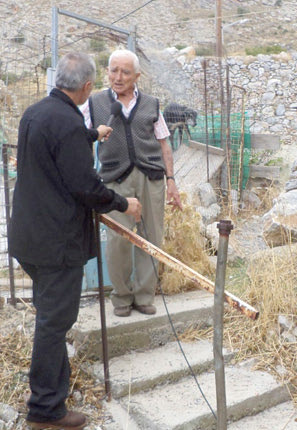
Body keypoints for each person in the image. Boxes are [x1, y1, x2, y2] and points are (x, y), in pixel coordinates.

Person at [8, 52, 142, 430]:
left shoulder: (36, 113)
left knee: (49, 313)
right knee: (55, 322)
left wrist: (90, 135)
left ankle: (50, 388)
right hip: (56, 243)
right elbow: (86, 188)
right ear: (86, 87)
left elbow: (55, 147)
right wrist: (123, 203)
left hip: (29, 237)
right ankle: (46, 409)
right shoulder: (68, 122)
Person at [88, 48, 182, 318]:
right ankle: (121, 296)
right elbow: (81, 137)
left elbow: (164, 145)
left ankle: (144, 296)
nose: (118, 77)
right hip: (115, 179)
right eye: (113, 70)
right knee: (118, 239)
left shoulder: (152, 104)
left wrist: (171, 181)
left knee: (152, 237)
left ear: (137, 76)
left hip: (151, 178)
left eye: (125, 72)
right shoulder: (95, 103)